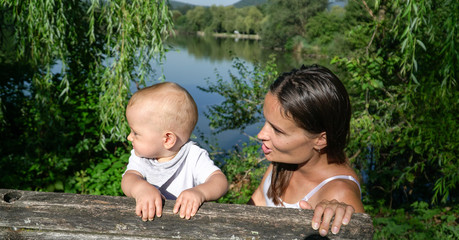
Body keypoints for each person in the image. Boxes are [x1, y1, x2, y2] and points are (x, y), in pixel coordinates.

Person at [248, 65, 364, 237]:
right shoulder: (285, 162)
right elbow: (257, 201)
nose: (261, 134)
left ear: (320, 140)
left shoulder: (339, 194)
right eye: (266, 121)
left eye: (277, 130)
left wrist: (338, 215)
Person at [121, 82, 228, 221]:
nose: (129, 137)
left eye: (135, 133)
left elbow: (220, 181)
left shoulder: (193, 156)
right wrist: (140, 188)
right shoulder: (140, 156)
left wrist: (200, 192)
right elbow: (128, 178)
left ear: (167, 139)